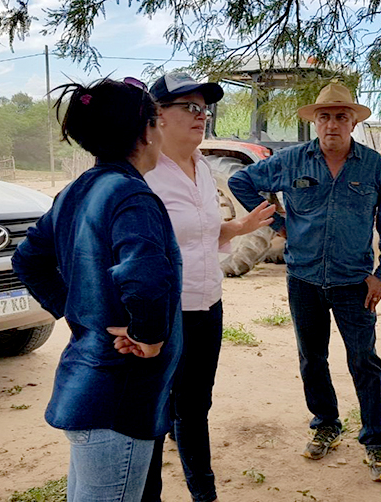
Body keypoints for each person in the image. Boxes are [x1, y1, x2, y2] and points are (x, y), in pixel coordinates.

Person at [11, 77, 183, 502]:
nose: (162, 133)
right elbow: (145, 279)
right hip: (116, 397)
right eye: (158, 122)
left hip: (90, 385)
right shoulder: (132, 197)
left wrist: (76, 311)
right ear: (145, 131)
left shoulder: (74, 191)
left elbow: (27, 259)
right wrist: (149, 336)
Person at [228, 82, 381, 482]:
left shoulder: (373, 165)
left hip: (354, 284)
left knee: (365, 361)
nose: (332, 125)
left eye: (341, 116)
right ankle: (326, 425)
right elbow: (242, 182)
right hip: (303, 279)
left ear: (353, 123)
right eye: (324, 117)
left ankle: (377, 441)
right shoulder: (292, 161)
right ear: (315, 122)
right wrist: (279, 223)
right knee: (312, 358)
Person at [140, 72, 275, 502]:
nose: (203, 116)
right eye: (191, 108)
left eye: (205, 108)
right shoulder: (141, 174)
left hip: (207, 306)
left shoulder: (201, 168)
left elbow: (200, 235)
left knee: (196, 407)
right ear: (158, 115)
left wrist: (239, 227)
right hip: (164, 313)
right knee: (156, 413)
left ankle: (204, 493)